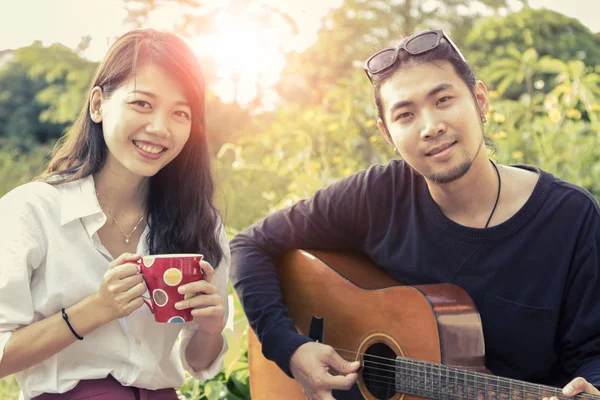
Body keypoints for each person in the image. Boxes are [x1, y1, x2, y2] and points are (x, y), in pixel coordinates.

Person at [230, 29, 600, 400]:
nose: (430, 127)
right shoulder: (377, 195)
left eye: (443, 100)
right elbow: (250, 245)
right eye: (405, 115)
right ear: (387, 135)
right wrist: (289, 348)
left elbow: (593, 351)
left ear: (481, 101)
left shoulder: (569, 217)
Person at [0, 29, 230, 400]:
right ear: (97, 105)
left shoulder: (200, 225)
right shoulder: (32, 211)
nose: (160, 128)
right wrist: (95, 309)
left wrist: (210, 329)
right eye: (142, 104)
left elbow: (197, 363)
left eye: (180, 113)